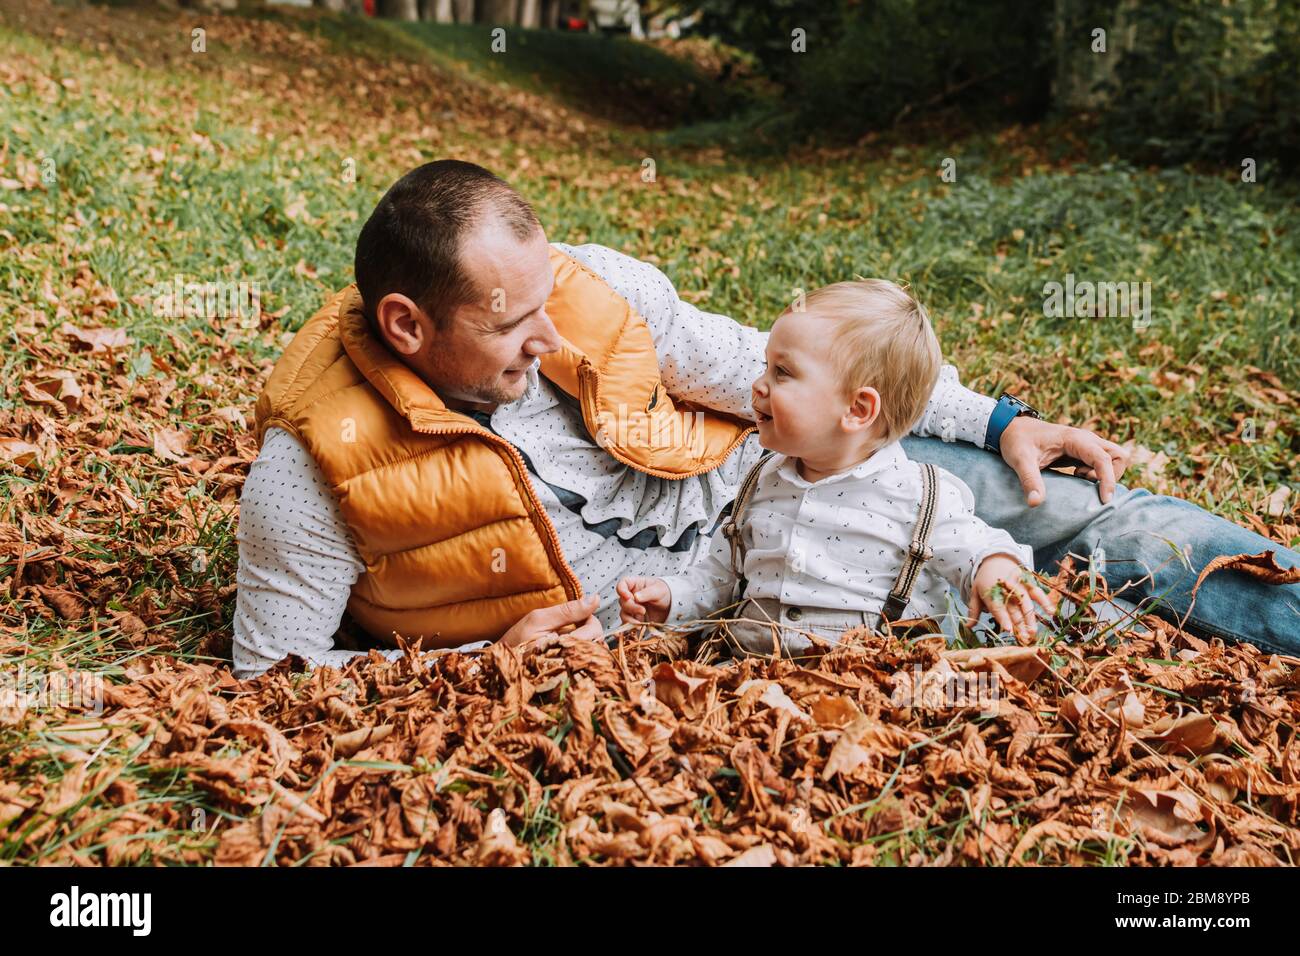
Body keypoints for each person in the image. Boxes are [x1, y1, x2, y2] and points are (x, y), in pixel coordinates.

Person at [232, 159, 1300, 679]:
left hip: (810, 470)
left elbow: (759, 360)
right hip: (743, 616)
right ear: (408, 323)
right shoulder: (307, 477)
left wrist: (990, 420)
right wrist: (482, 658)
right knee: (1046, 633)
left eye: (546, 297)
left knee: (1100, 525)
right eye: (509, 322)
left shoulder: (584, 290)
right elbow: (269, 671)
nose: (550, 338)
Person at [616, 278, 1055, 656]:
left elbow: (972, 547)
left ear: (858, 409)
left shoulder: (917, 496)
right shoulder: (760, 482)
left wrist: (995, 567)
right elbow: (722, 576)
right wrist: (673, 597)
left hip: (866, 683)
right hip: (749, 678)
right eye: (766, 366)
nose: (758, 384)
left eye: (782, 372)